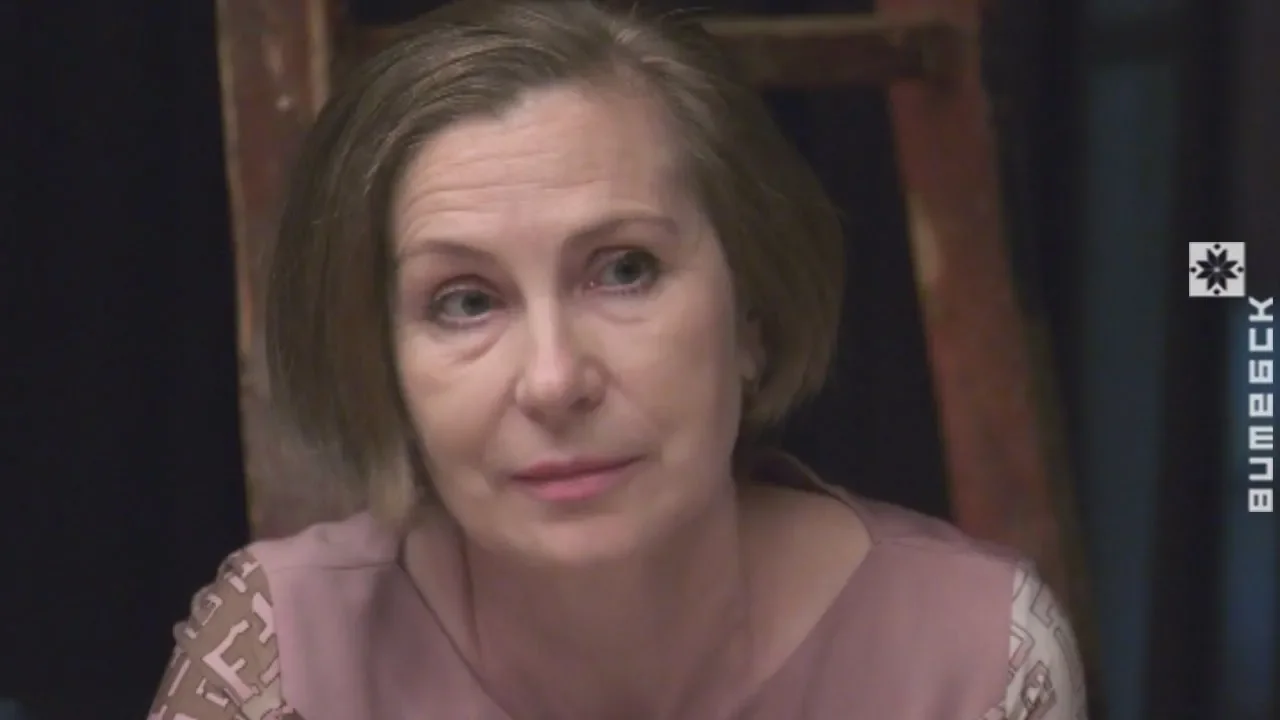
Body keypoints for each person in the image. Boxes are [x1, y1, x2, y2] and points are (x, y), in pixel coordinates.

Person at [149, 1, 1087, 718]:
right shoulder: (280, 660)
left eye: (625, 271)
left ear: (751, 313)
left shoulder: (973, 658)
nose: (555, 380)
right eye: (465, 302)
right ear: (383, 360)